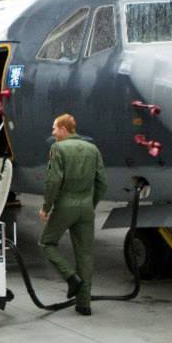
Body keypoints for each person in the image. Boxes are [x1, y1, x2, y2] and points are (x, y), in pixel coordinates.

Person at [38, 113, 106, 316]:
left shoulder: (58, 149)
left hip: (65, 205)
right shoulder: (92, 149)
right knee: (84, 254)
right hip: (86, 207)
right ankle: (84, 304)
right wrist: (91, 204)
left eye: (54, 128)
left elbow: (53, 181)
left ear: (64, 130)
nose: (52, 132)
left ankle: (70, 278)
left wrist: (46, 207)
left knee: (47, 243)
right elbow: (102, 182)